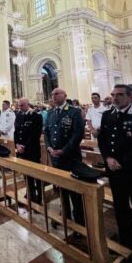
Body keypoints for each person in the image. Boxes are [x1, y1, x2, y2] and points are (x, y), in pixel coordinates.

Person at [98, 84, 132, 263]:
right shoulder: (107, 115)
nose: (115, 98)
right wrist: (107, 158)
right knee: (120, 207)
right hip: (114, 171)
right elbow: (102, 140)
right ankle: (127, 239)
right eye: (113, 95)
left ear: (130, 97)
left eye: (120, 95)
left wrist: (121, 161)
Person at [44, 88, 85, 226]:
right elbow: (46, 132)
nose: (54, 96)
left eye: (57, 94)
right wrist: (49, 147)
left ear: (65, 96)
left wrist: (64, 150)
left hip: (70, 157)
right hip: (55, 157)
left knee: (74, 191)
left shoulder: (74, 111)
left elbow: (78, 134)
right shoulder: (50, 112)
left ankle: (80, 222)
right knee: (61, 188)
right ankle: (65, 215)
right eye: (52, 94)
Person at [14, 98, 43, 204]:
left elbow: (35, 135)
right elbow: (16, 132)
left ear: (27, 105)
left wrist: (24, 146)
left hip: (32, 150)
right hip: (21, 150)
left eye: (22, 105)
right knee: (26, 173)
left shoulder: (36, 116)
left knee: (36, 174)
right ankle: (30, 192)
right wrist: (17, 144)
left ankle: (39, 196)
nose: (20, 107)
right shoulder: (18, 115)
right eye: (19, 105)